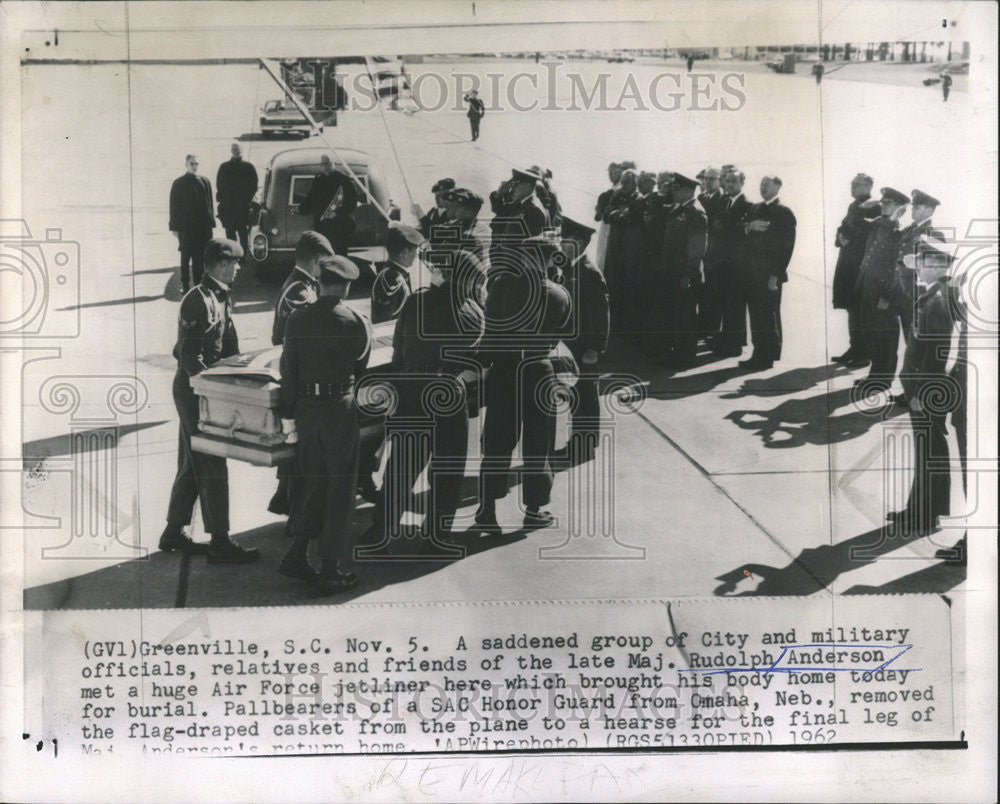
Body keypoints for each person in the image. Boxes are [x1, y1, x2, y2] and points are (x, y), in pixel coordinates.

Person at [374, 249, 486, 545]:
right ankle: (436, 535)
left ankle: (380, 529)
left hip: (411, 387)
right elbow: (478, 363)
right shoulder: (473, 313)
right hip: (448, 394)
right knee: (447, 469)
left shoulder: (415, 301)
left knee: (401, 466)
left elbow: (398, 349)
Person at [159, 239, 259, 562]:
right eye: (235, 262)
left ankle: (173, 532)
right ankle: (219, 542)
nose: (239, 268)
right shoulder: (196, 300)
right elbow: (190, 357)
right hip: (195, 391)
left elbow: (228, 346)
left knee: (192, 461)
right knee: (212, 460)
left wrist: (244, 375)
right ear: (219, 264)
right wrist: (214, 395)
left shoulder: (220, 295)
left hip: (204, 389)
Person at [278, 255, 371, 594]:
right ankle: (329, 569)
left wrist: (288, 418)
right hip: (338, 410)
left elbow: (289, 372)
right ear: (346, 286)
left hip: (305, 409)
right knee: (340, 490)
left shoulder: (297, 320)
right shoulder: (356, 322)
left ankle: (298, 552)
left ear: (319, 282)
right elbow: (361, 370)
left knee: (314, 484)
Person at [475, 235, 573, 534]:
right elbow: (561, 334)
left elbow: (489, 331)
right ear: (547, 259)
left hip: (505, 370)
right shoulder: (559, 294)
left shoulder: (502, 286)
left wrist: (487, 364)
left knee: (496, 441)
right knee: (538, 443)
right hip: (538, 370)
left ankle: (487, 510)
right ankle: (534, 508)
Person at [886, 237, 961, 536]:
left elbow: (936, 354)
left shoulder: (939, 300)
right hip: (920, 389)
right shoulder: (932, 292)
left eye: (923, 262)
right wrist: (905, 265)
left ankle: (928, 515)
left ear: (940, 266)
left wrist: (919, 394)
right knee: (925, 450)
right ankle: (918, 508)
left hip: (927, 391)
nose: (918, 265)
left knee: (932, 452)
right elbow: (907, 291)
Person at [267, 231, 334, 518]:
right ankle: (296, 513)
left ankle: (289, 503)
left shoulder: (302, 285)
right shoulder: (300, 291)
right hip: (297, 377)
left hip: (296, 373)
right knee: (301, 451)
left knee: (299, 451)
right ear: (318, 260)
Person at [558, 217, 610, 461]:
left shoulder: (589, 272)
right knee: (577, 393)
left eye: (565, 241)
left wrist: (594, 348)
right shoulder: (571, 267)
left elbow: (601, 314)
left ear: (579, 243)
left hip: (584, 346)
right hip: (573, 343)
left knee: (586, 394)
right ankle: (580, 442)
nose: (560, 245)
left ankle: (583, 447)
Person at [737, 176, 797, 371]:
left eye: (768, 184)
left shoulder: (784, 212)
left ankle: (767, 357)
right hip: (751, 273)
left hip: (769, 275)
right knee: (756, 314)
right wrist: (748, 226)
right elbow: (739, 229)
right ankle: (759, 353)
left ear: (778, 187)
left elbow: (787, 247)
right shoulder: (755, 208)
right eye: (761, 184)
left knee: (767, 315)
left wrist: (775, 275)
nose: (763, 187)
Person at [891, 189, 944, 405]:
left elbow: (937, 270)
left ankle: (921, 394)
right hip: (905, 295)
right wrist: (893, 219)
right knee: (911, 346)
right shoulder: (909, 230)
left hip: (919, 299)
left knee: (920, 347)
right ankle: (911, 391)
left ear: (929, 210)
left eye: (918, 206)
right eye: (913, 206)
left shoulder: (933, 234)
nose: (913, 209)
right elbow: (891, 245)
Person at [853, 186, 909, 390]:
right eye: (882, 202)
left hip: (884, 293)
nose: (883, 205)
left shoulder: (897, 230)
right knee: (871, 335)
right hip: (868, 288)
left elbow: (897, 266)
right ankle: (875, 376)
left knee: (885, 337)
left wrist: (889, 295)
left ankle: (883, 379)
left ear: (899, 207)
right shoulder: (878, 224)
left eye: (888, 203)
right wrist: (860, 208)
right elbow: (855, 227)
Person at [831, 173, 881, 368]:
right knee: (852, 309)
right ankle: (855, 348)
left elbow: (867, 231)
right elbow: (843, 226)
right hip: (848, 264)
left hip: (862, 265)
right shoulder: (855, 205)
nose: (852, 186)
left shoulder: (874, 206)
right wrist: (841, 236)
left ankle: (864, 354)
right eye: (852, 183)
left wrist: (847, 233)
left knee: (863, 310)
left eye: (857, 184)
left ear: (868, 186)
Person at [658, 173, 708, 368]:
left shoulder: (695, 212)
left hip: (685, 274)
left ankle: (685, 357)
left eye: (676, 189)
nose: (672, 192)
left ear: (687, 191)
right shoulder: (679, 209)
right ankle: (676, 353)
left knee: (685, 316)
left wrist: (688, 273)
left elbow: (697, 248)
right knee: (675, 313)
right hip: (672, 271)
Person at [713, 169, 753, 357]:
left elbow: (742, 233)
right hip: (722, 261)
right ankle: (727, 337)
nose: (729, 185)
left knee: (735, 304)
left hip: (738, 264)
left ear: (742, 183)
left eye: (733, 182)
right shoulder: (724, 202)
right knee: (723, 302)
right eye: (727, 181)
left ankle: (735, 344)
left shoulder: (748, 205)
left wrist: (730, 228)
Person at [488, 167, 550, 284]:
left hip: (513, 274)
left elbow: (527, 249)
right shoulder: (521, 204)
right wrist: (498, 193)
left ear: (527, 186)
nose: (512, 188)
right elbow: (499, 210)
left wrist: (505, 274)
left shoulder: (534, 210)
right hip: (503, 269)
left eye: (516, 185)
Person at [294, 153, 359, 256]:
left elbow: (352, 201)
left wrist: (337, 213)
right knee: (323, 255)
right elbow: (311, 198)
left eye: (328, 164)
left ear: (334, 164)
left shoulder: (344, 180)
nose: (326, 167)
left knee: (338, 255)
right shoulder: (319, 179)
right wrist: (301, 209)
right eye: (323, 164)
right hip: (322, 225)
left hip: (338, 226)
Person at [602, 168, 641, 336]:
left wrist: (617, 213)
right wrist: (617, 213)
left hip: (630, 251)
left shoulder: (639, 200)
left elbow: (629, 217)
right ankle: (615, 325)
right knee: (613, 284)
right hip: (615, 249)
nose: (623, 185)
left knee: (629, 287)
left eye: (627, 182)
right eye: (622, 182)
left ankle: (628, 328)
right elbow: (606, 214)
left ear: (635, 183)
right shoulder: (617, 196)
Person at [169, 154, 215, 293]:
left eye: (196, 164)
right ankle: (184, 284)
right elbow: (173, 206)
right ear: (186, 165)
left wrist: (210, 225)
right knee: (185, 257)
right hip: (186, 228)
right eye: (191, 164)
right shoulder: (178, 183)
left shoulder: (205, 181)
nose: (194, 166)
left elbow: (209, 205)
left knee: (199, 258)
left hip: (202, 228)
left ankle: (198, 285)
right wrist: (174, 227)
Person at [439, 187, 490, 305]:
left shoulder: (475, 235)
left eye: (454, 206)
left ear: (468, 211)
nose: (448, 208)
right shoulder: (456, 227)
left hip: (465, 294)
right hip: (452, 286)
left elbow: (469, 271)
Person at [371, 222, 425, 325]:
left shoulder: (394, 275)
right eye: (415, 251)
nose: (416, 255)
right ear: (404, 253)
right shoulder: (392, 279)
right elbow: (383, 323)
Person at [697, 167, 727, 340]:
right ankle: (703, 326)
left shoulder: (723, 200)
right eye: (705, 179)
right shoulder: (701, 198)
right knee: (703, 293)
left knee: (714, 294)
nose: (707, 182)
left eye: (711, 179)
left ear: (718, 180)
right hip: (701, 251)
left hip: (714, 255)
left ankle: (713, 330)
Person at [215, 143, 258, 254]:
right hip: (228, 207)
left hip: (242, 207)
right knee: (230, 232)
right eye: (234, 149)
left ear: (242, 150)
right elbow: (219, 185)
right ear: (231, 151)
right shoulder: (224, 167)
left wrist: (246, 200)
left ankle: (243, 255)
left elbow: (254, 186)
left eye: (238, 149)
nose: (236, 151)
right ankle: (232, 254)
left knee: (243, 232)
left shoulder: (248, 167)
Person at [594, 162, 622, 273]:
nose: (611, 174)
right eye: (609, 172)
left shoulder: (619, 188)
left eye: (614, 171)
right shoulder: (612, 188)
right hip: (605, 227)